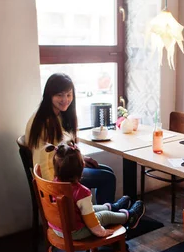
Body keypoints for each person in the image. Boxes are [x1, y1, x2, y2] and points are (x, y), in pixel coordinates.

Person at [25, 73, 116, 204]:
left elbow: (62, 148)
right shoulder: (44, 122)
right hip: (59, 177)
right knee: (107, 178)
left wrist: (82, 158)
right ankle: (104, 217)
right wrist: (53, 192)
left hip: (64, 168)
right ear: (49, 95)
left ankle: (103, 214)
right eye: (59, 95)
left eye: (68, 95)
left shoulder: (57, 115)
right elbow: (42, 161)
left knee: (107, 171)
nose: (65, 99)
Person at [46, 142, 145, 239]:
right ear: (81, 168)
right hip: (75, 232)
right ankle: (129, 217)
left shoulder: (54, 184)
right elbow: (91, 221)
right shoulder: (82, 192)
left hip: (58, 228)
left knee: (92, 208)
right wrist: (102, 232)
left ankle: (112, 207)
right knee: (104, 216)